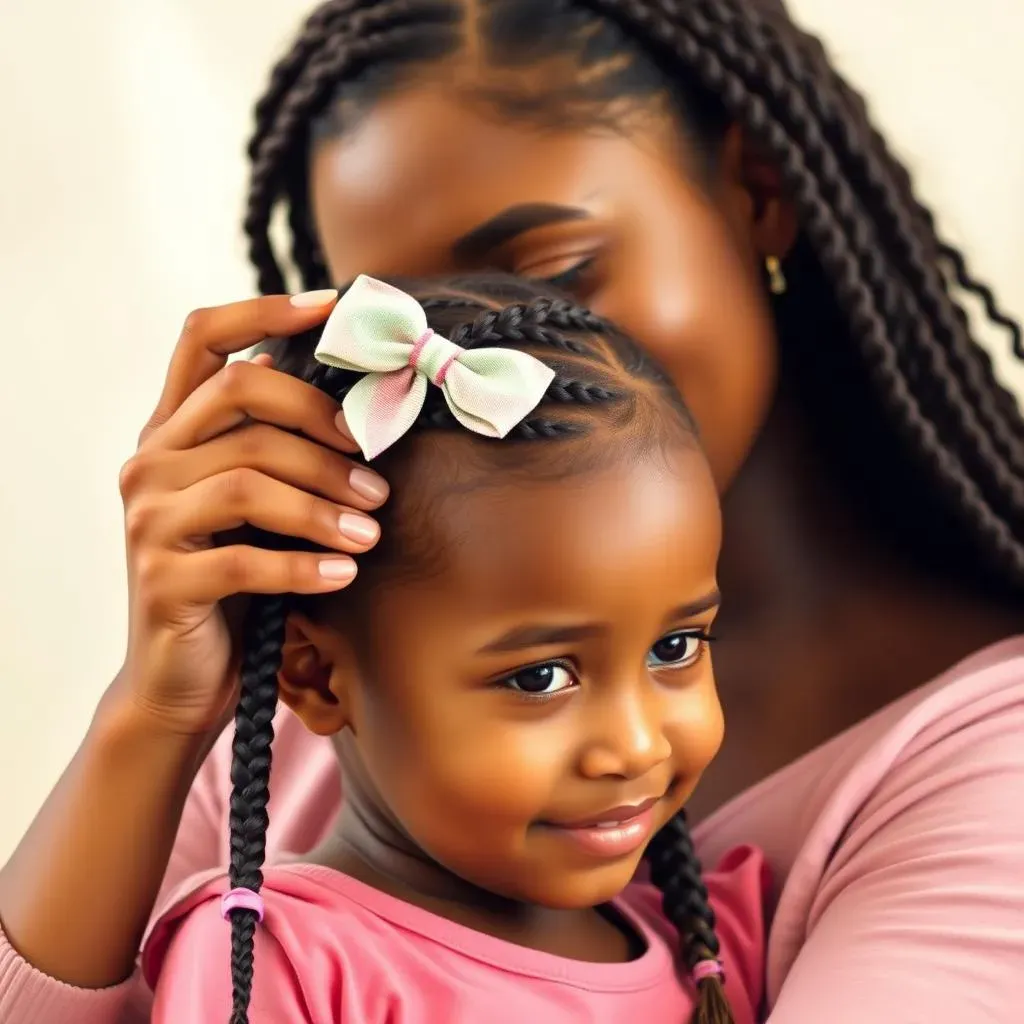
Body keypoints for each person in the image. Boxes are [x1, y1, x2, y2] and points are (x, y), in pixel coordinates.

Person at [1, 0, 1022, 1021]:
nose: (495, 380)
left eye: (550, 280)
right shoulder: (303, 716)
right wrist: (152, 716)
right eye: (413, 322)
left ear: (755, 188)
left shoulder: (976, 768)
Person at [145, 271, 766, 1024]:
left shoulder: (719, 945)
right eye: (540, 677)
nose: (634, 747)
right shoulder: (287, 968)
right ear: (316, 677)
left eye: (674, 647)